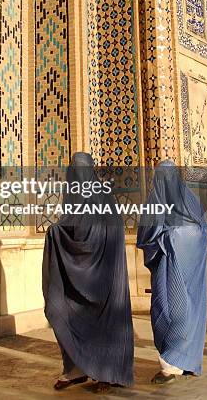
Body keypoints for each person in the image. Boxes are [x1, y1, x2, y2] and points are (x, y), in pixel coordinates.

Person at [42, 152, 134, 392]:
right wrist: (59, 233)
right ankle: (76, 369)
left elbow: (95, 234)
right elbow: (73, 227)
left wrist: (59, 233)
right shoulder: (72, 196)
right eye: (74, 169)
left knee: (106, 323)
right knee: (56, 308)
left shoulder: (104, 198)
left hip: (105, 275)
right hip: (77, 274)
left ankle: (109, 371)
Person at [137, 160, 207, 384]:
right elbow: (146, 233)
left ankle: (174, 365)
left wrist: (172, 236)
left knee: (180, 311)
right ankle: (181, 362)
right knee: (166, 310)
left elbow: (200, 231)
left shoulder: (189, 201)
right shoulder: (157, 203)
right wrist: (166, 238)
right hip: (166, 267)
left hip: (188, 270)